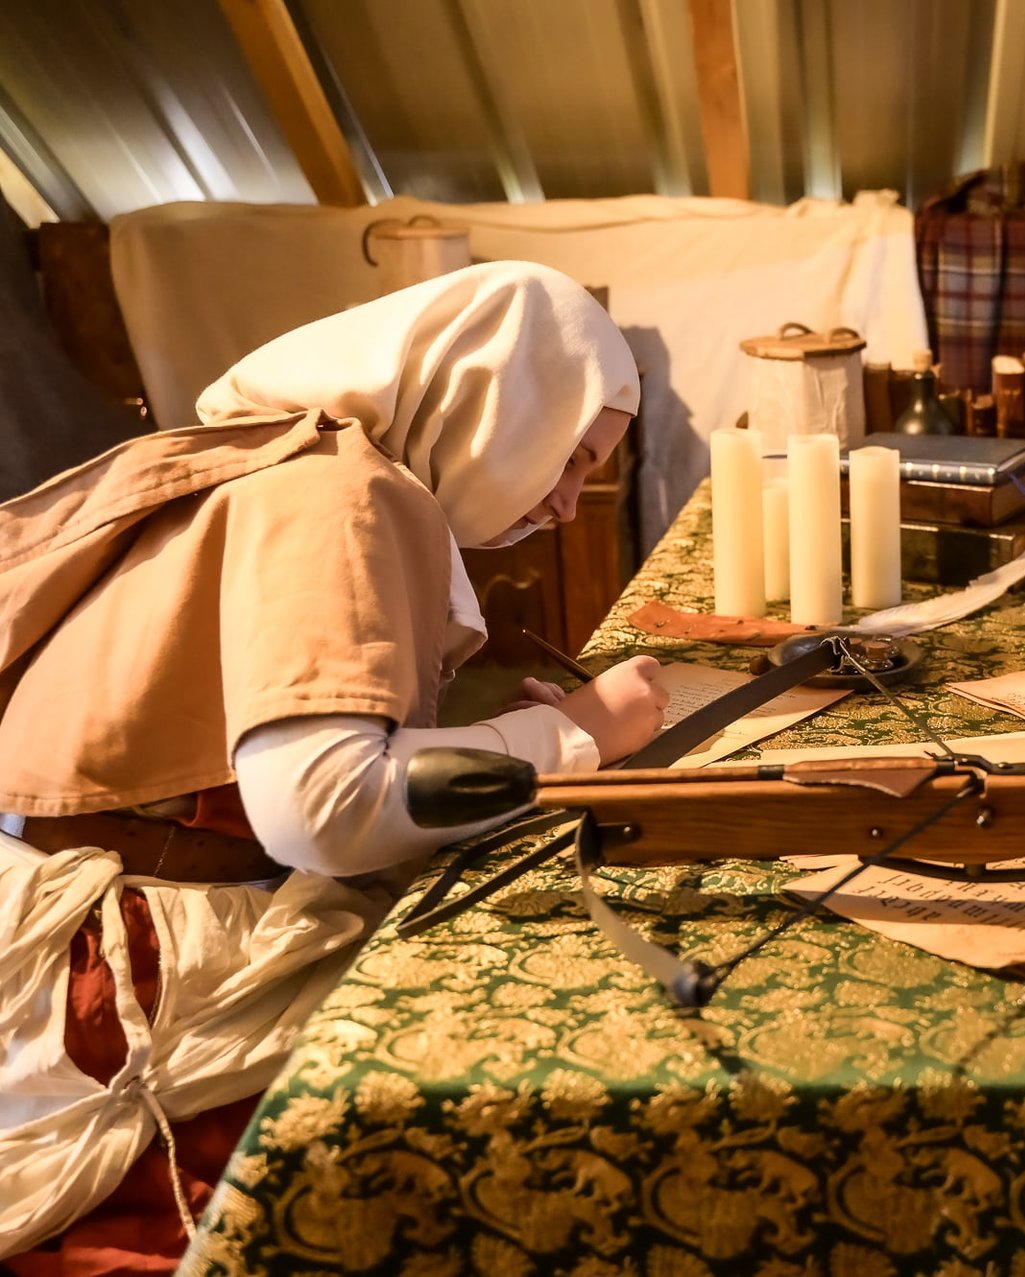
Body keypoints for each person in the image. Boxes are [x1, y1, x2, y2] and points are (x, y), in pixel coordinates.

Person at [0, 261, 670, 1270]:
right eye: (570, 458)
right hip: (132, 968)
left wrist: (522, 745)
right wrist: (576, 737)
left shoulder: (303, 464)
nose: (573, 504)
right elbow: (321, 805)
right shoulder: (344, 490)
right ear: (500, 403)